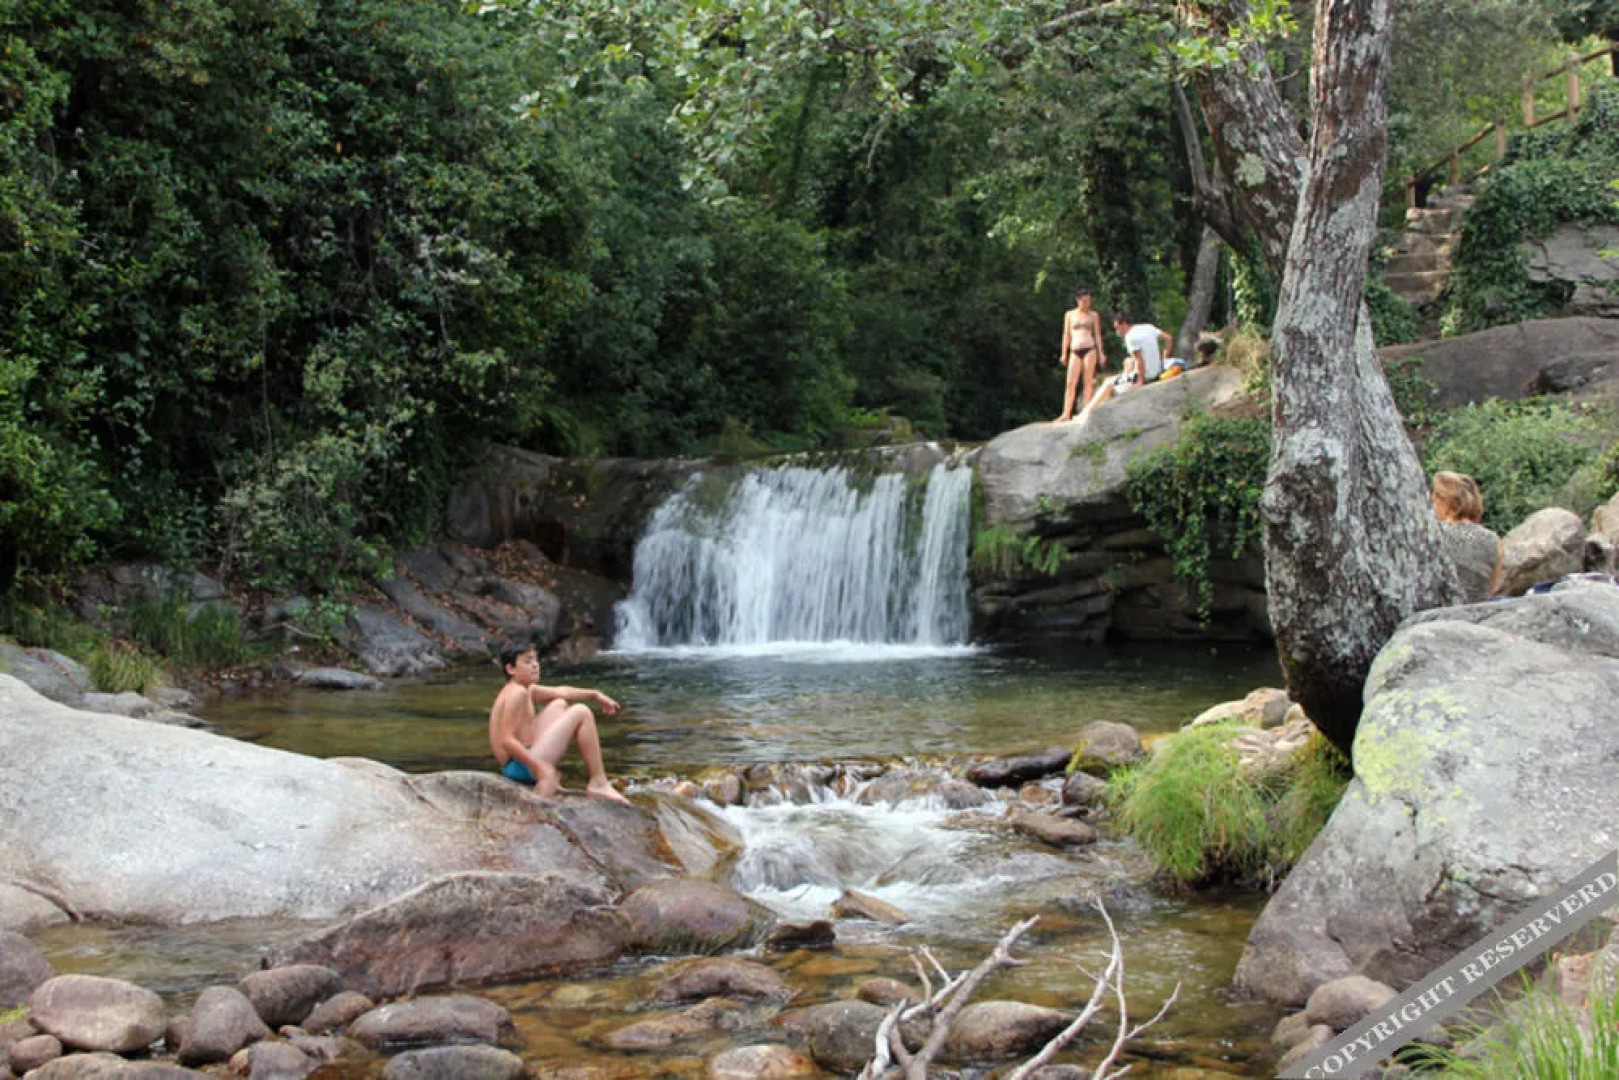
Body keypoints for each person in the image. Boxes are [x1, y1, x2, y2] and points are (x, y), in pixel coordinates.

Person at [489, 642, 630, 803]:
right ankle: (598, 782)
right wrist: (538, 768)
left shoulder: (526, 689)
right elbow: (507, 740)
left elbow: (561, 691)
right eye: (527, 662)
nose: (535, 665)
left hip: (520, 760)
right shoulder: (517, 693)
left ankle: (569, 780)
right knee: (581, 712)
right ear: (510, 669)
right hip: (517, 767)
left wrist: (595, 694)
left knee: (559, 703)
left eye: (535, 660)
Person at [1073, 316, 1176, 424]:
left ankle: (1084, 415)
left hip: (1147, 376)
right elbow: (1168, 338)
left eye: (1118, 328)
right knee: (1127, 363)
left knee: (1108, 383)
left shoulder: (1130, 337)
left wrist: (1140, 381)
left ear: (1124, 324)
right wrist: (1164, 359)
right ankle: (1094, 414)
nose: (1117, 332)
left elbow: (1139, 359)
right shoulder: (1148, 327)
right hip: (1156, 370)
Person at [1431, 471, 1502, 603]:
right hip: (1476, 616)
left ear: (1443, 501)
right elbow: (1490, 591)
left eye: (1433, 501)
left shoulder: (1433, 534)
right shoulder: (1494, 540)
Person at [1056, 287, 1105, 423]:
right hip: (1075, 350)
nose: (1087, 303)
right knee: (1070, 382)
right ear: (1078, 300)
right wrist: (1063, 353)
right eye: (1084, 301)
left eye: (1089, 301)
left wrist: (1101, 353)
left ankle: (1085, 411)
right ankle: (1066, 413)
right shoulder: (1070, 315)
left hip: (1090, 348)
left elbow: (1097, 335)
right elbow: (1066, 334)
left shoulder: (1093, 315)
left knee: (1088, 381)